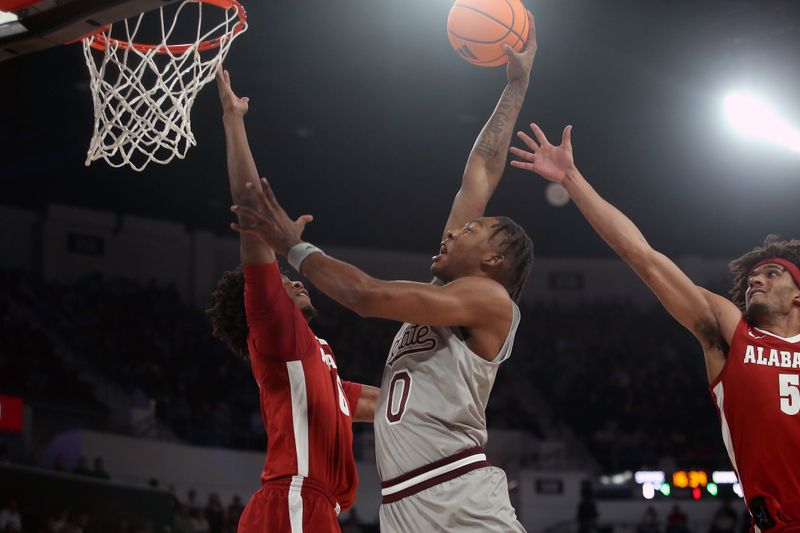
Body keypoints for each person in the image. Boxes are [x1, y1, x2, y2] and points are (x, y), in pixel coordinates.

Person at [228, 11, 537, 532]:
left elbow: (367, 296)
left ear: (493, 261)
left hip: (457, 496)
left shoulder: (490, 301)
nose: (455, 230)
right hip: (401, 506)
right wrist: (517, 84)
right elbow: (481, 172)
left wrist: (293, 246)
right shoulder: (450, 288)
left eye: (472, 231)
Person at [510, 122, 800, 530]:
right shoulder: (732, 332)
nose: (756, 279)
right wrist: (571, 179)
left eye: (771, 274)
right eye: (754, 275)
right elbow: (643, 256)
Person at [207, 68, 380, 533]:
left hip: (309, 509)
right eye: (283, 280)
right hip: (294, 502)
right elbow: (250, 205)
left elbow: (388, 404)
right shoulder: (275, 330)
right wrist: (233, 119)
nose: (294, 282)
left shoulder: (319, 369)